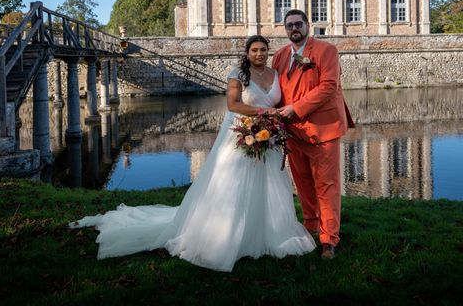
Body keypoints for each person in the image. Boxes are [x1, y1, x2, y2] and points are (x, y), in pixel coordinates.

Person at [69, 35, 315, 272]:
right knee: (235, 184)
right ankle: (227, 234)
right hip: (240, 135)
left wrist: (274, 121)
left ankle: (268, 232)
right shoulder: (237, 74)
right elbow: (234, 105)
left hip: (267, 137)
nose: (259, 54)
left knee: (269, 183)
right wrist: (266, 113)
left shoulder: (275, 75)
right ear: (247, 53)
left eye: (263, 50)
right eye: (255, 50)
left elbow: (282, 102)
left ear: (268, 52)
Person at [272, 10, 354, 260]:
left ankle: (329, 239)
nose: (294, 29)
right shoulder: (279, 56)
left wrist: (296, 108)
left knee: (327, 186)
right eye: (289, 26)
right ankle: (310, 226)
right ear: (285, 29)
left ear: (308, 25)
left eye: (298, 24)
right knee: (304, 185)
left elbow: (329, 86)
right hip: (293, 132)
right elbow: (275, 90)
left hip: (322, 129)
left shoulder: (326, 50)